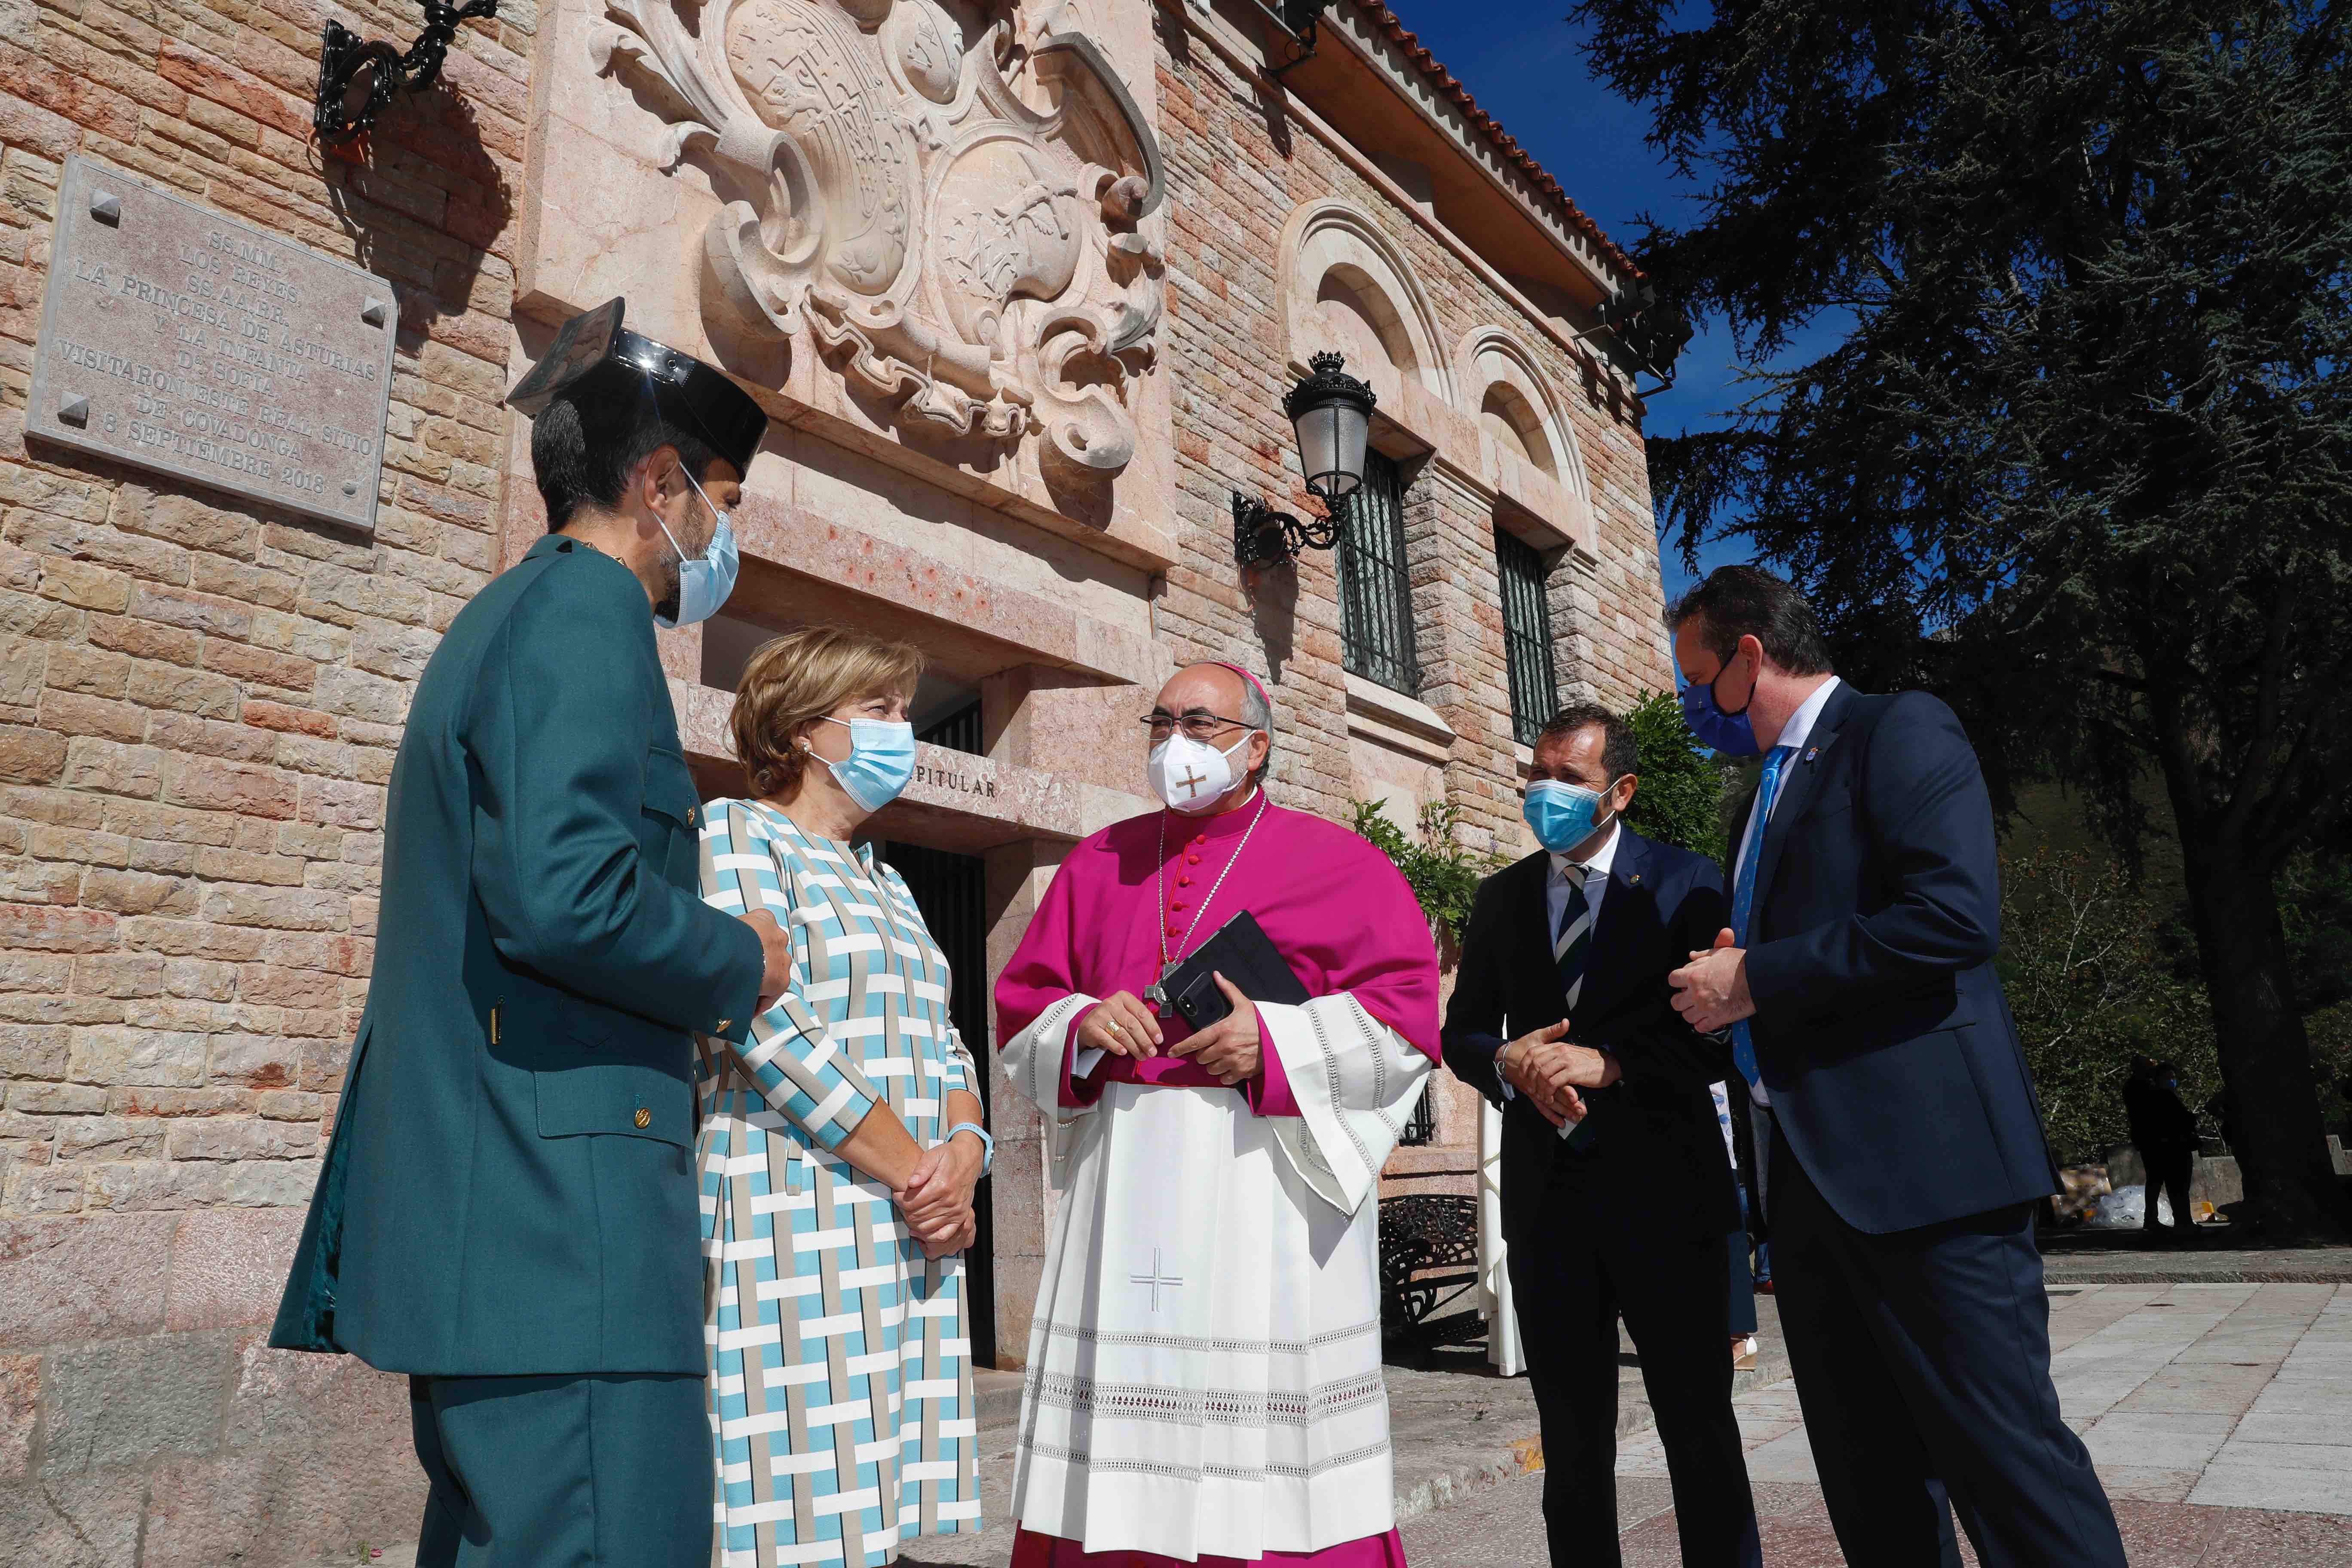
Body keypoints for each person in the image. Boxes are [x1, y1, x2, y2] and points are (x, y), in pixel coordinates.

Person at [268, 297, 793, 1567]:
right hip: (571, 1248)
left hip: (511, 1246)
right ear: (660, 483)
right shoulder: (584, 614)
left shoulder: (501, 619)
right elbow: (566, 896)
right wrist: (741, 957)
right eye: (722, 498)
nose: (721, 535)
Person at [1663, 565, 2125, 1568]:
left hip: (1929, 1175)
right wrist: (1726, 996)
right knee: (1866, 1482)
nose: (1690, 704)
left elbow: (1952, 918)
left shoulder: (1895, 729)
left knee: (2008, 1470)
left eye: (1695, 678)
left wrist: (1754, 978)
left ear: (1748, 655)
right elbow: (1782, 976)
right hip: (1806, 1189)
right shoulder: (1753, 802)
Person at [994, 662, 1441, 1567]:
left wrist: (1273, 1045)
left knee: (1266, 1447)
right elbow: (1022, 1006)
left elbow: (1406, 1020)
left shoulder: (1342, 862)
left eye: (1199, 723)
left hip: (1262, 1178)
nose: (1175, 743)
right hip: (1128, 1179)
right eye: (1160, 723)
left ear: (1256, 746)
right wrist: (1083, 1022)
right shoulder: (1098, 861)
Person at [1441, 703, 1760, 1568]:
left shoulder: (1689, 883)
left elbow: (1718, 1036)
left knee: (1701, 1432)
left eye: (1568, 780)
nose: (1544, 793)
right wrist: (1507, 1060)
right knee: (1573, 1447)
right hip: (1551, 1210)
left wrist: (1612, 1063)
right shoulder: (1502, 898)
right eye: (1534, 776)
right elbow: (1462, 1032)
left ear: (1619, 791)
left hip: (1670, 1202)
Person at [695, 626, 986, 1565]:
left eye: (905, 710)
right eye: (882, 711)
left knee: (874, 1499)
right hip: (794, 1213)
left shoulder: (891, 880)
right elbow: (767, 1028)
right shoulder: (736, 832)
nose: (906, 731)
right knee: (791, 1502)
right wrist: (919, 1174)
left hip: (910, 1223)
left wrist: (968, 1159)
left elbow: (946, 1039)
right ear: (803, 727)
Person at [2122, 1057, 2200, 1242]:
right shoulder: (2154, 1093)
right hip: (2164, 1145)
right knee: (2175, 1184)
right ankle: (2181, 1222)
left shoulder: (2140, 1089)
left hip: (2152, 1142)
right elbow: (2181, 1119)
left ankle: (2164, 1220)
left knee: (2159, 1181)